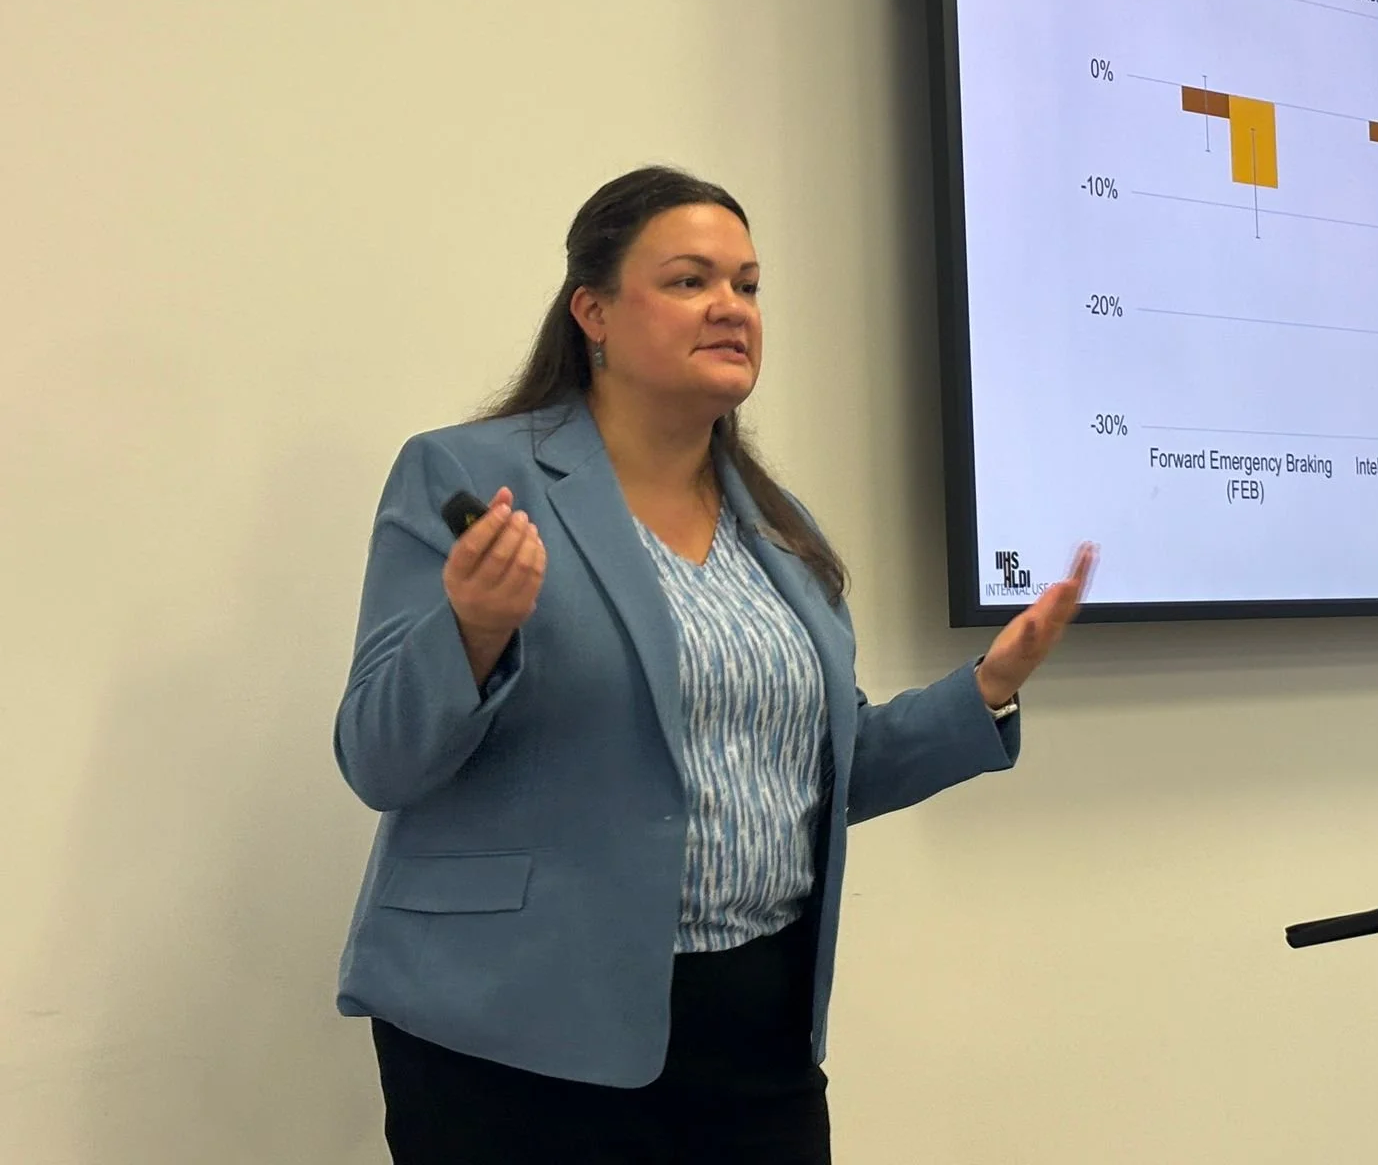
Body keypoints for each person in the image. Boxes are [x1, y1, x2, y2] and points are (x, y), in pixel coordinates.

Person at [334, 165, 1095, 1164]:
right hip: (517, 1037)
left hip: (754, 1037)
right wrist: (469, 631)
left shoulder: (778, 534)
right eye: (691, 281)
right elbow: (377, 760)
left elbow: (810, 777)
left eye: (747, 284)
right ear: (592, 311)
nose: (730, 307)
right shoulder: (468, 477)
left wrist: (987, 688)